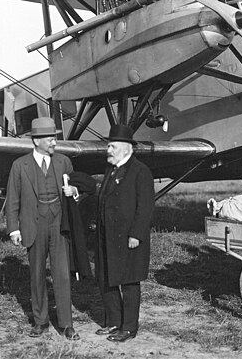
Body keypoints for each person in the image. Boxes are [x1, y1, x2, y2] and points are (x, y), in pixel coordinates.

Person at [5, 117, 81, 340]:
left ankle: (67, 324)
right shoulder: (20, 166)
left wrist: (74, 191)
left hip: (59, 225)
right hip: (33, 225)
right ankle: (41, 321)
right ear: (36, 141)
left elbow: (75, 191)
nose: (54, 142)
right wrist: (14, 229)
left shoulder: (64, 162)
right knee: (37, 275)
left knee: (62, 275)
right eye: (49, 138)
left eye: (55, 137)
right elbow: (12, 200)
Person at [95, 124, 154, 343]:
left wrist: (136, 235)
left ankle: (128, 327)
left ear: (127, 148)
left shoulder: (140, 171)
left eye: (112, 146)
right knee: (107, 279)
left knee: (129, 282)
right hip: (108, 236)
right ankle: (113, 321)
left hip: (129, 238)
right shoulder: (111, 169)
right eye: (108, 146)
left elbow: (145, 207)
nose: (107, 150)